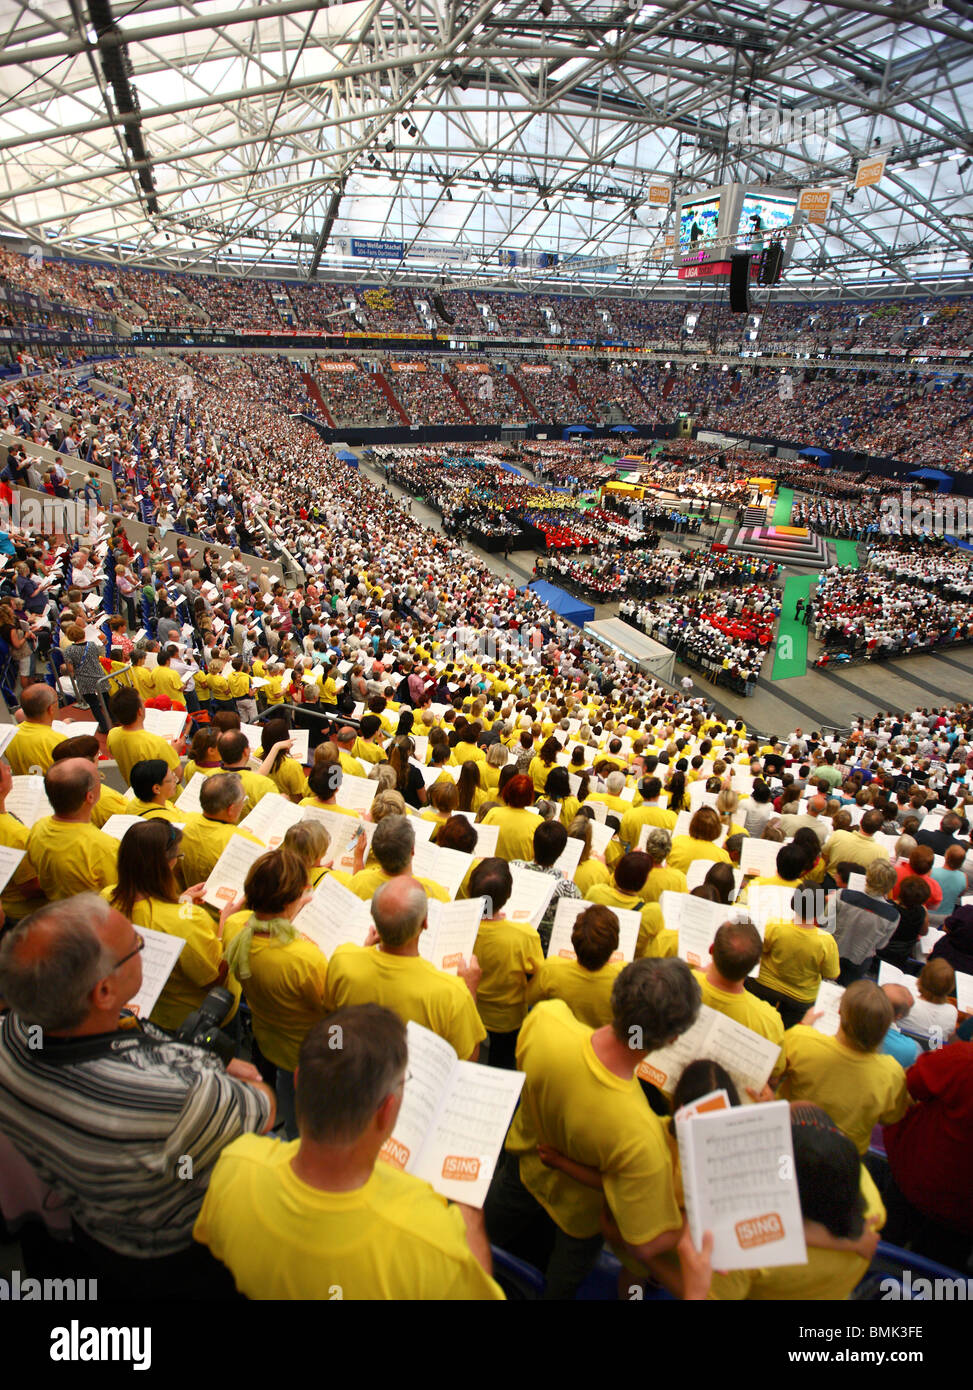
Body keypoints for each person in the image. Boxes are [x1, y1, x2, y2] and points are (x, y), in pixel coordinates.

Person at [0, 895, 274, 1297]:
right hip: (165, 1255)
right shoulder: (177, 1097)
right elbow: (263, 1106)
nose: (142, 952)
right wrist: (210, 1068)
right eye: (137, 948)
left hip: (81, 1228)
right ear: (104, 991)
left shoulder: (12, 1031)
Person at [193, 1005, 504, 1300]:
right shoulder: (431, 1236)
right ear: (386, 1111)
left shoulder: (234, 1164)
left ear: (300, 1080)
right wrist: (471, 1214)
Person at [484, 958, 699, 1299]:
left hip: (524, 1163)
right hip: (579, 1216)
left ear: (615, 995)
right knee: (562, 1281)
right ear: (672, 1039)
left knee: (487, 1230)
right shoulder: (642, 1135)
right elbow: (642, 1242)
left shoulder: (545, 1019)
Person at [324, 875, 486, 1061]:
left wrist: (361, 954)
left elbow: (331, 1011)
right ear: (425, 923)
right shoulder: (453, 992)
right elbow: (468, 1057)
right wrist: (471, 992)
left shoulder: (342, 959)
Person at [223, 848, 323, 1140]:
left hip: (270, 1039)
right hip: (307, 1052)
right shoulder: (304, 957)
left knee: (288, 1102)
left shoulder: (233, 928)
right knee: (307, 1121)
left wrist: (290, 911)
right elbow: (330, 1009)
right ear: (290, 900)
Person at [105, 820, 240, 1032]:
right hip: (188, 1021)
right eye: (178, 857)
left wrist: (180, 900)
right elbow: (214, 978)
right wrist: (226, 923)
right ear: (167, 864)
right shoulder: (187, 920)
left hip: (137, 1007)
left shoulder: (106, 896)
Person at [777, 980, 910, 1155]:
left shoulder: (801, 1038)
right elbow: (890, 1117)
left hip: (789, 1137)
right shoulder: (892, 1072)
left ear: (839, 1012)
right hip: (845, 1155)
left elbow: (774, 1072)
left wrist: (803, 1026)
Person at [882, 1040, 973, 1272]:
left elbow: (911, 1083)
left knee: (881, 1252)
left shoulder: (963, 1057)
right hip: (961, 1219)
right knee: (935, 1277)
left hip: (917, 1180)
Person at [468, 857, 542, 1069]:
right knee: (502, 1063)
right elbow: (537, 973)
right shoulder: (524, 935)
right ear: (508, 895)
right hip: (507, 1019)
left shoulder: (460, 924)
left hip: (470, 1007)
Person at [26, 759, 119, 900]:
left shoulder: (38, 828)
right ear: (90, 797)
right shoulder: (103, 847)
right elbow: (119, 893)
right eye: (99, 777)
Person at [526, 904, 625, 1028]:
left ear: (573, 941)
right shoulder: (625, 977)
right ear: (615, 945)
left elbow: (529, 999)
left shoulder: (551, 969)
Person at [509, 819, 582, 949]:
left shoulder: (514, 867)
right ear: (561, 852)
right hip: (543, 950)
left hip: (511, 942)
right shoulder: (568, 888)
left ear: (533, 843)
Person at [179, 772, 262, 886]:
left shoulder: (182, 821)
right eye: (243, 800)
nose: (243, 805)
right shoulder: (244, 842)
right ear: (231, 809)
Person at [830, 858, 899, 984]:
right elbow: (881, 945)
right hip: (859, 959)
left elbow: (826, 924)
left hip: (833, 950)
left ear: (867, 879)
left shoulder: (842, 895)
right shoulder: (892, 916)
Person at [106, 686, 181, 787]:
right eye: (142, 702)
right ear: (139, 711)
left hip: (136, 791)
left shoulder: (112, 735)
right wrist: (174, 752)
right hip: (164, 797)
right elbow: (178, 777)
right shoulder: (157, 743)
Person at [6, 683, 64, 776]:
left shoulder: (9, 735)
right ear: (50, 709)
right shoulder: (58, 740)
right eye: (57, 701)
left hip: (26, 787)